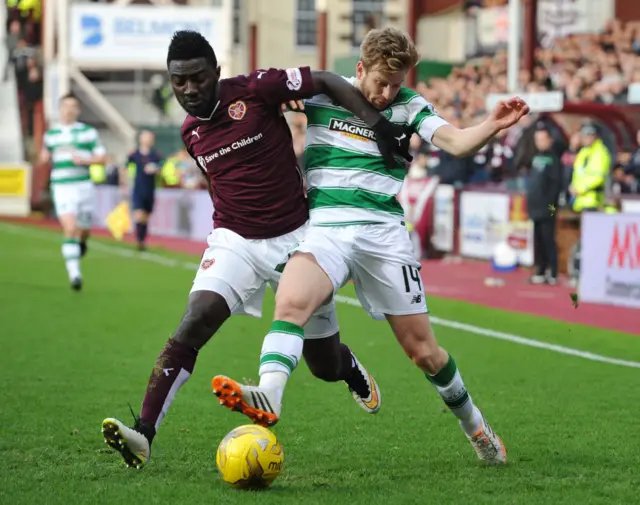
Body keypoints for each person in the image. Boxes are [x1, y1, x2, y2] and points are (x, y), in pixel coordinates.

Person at [212, 27, 529, 465]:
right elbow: (263, 93)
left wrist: (492, 124)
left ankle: (475, 425)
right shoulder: (321, 97)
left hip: (384, 236)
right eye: (380, 81)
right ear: (360, 69)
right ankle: (270, 394)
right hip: (326, 230)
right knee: (290, 301)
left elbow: (455, 141)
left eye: (395, 84)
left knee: (424, 353)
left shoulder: (409, 105)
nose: (386, 93)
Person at [101, 29, 412, 469]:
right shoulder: (191, 132)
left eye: (198, 78)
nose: (189, 89)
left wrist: (378, 126)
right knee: (194, 320)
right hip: (235, 241)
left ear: (217, 72)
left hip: (297, 239)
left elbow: (324, 79)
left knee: (323, 364)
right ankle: (144, 434)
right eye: (179, 81)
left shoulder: (255, 89)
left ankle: (349, 369)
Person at [40, 93, 107, 290]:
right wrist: (44, 157)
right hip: (62, 186)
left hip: (84, 185)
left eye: (73, 106)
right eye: (65, 106)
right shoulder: (51, 135)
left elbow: (102, 158)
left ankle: (82, 243)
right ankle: (75, 275)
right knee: (69, 228)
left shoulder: (88, 132)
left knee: (83, 229)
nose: (69, 110)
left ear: (78, 110)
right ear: (60, 109)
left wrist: (84, 160)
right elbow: (45, 155)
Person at [526, 122, 562, 285]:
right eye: (537, 139)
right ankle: (540, 271)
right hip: (535, 206)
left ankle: (552, 272)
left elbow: (556, 185)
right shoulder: (535, 157)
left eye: (542, 139)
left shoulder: (553, 159)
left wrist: (551, 208)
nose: (539, 142)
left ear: (549, 140)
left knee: (548, 240)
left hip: (547, 207)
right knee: (538, 240)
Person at [125, 130, 163, 251]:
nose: (148, 140)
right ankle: (139, 240)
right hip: (138, 189)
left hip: (150, 190)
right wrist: (123, 183)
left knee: (146, 216)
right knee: (139, 214)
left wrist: (155, 170)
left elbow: (161, 169)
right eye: (146, 137)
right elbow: (125, 167)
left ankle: (142, 239)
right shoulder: (134, 154)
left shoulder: (156, 155)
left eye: (150, 138)